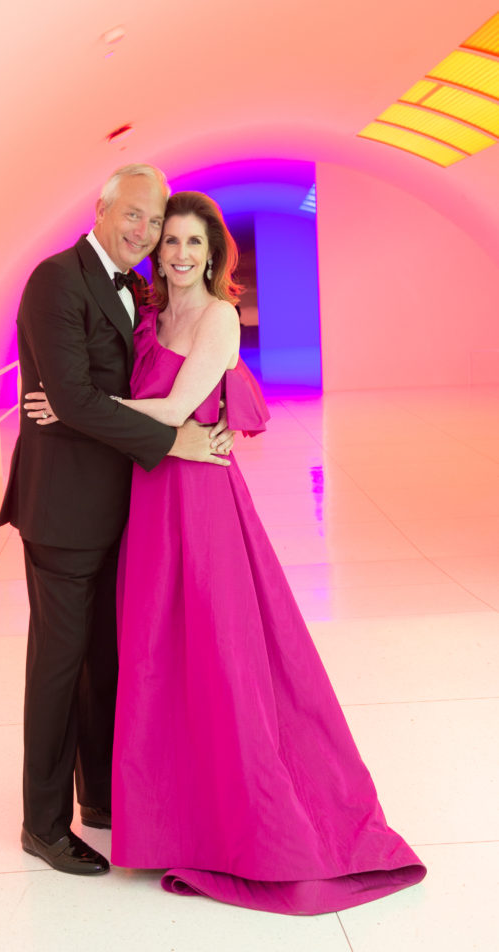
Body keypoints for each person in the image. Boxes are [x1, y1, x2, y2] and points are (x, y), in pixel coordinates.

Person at [33, 190, 426, 914]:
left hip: (197, 495)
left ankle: (236, 815)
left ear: (214, 253)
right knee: (157, 652)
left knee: (216, 648)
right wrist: (81, 398)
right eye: (169, 242)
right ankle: (164, 815)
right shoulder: (153, 313)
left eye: (192, 243)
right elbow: (137, 399)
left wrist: (74, 403)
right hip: (149, 496)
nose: (179, 254)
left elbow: (177, 411)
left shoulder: (215, 319)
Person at [0, 166, 234, 877]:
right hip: (63, 510)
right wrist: (171, 439)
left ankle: (97, 796)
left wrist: (69, 404)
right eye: (132, 215)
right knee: (59, 668)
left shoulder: (133, 289)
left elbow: (93, 394)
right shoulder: (56, 280)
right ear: (101, 209)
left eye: (153, 221)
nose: (143, 230)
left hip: (118, 511)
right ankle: (42, 823)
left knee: (106, 664)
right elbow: (70, 396)